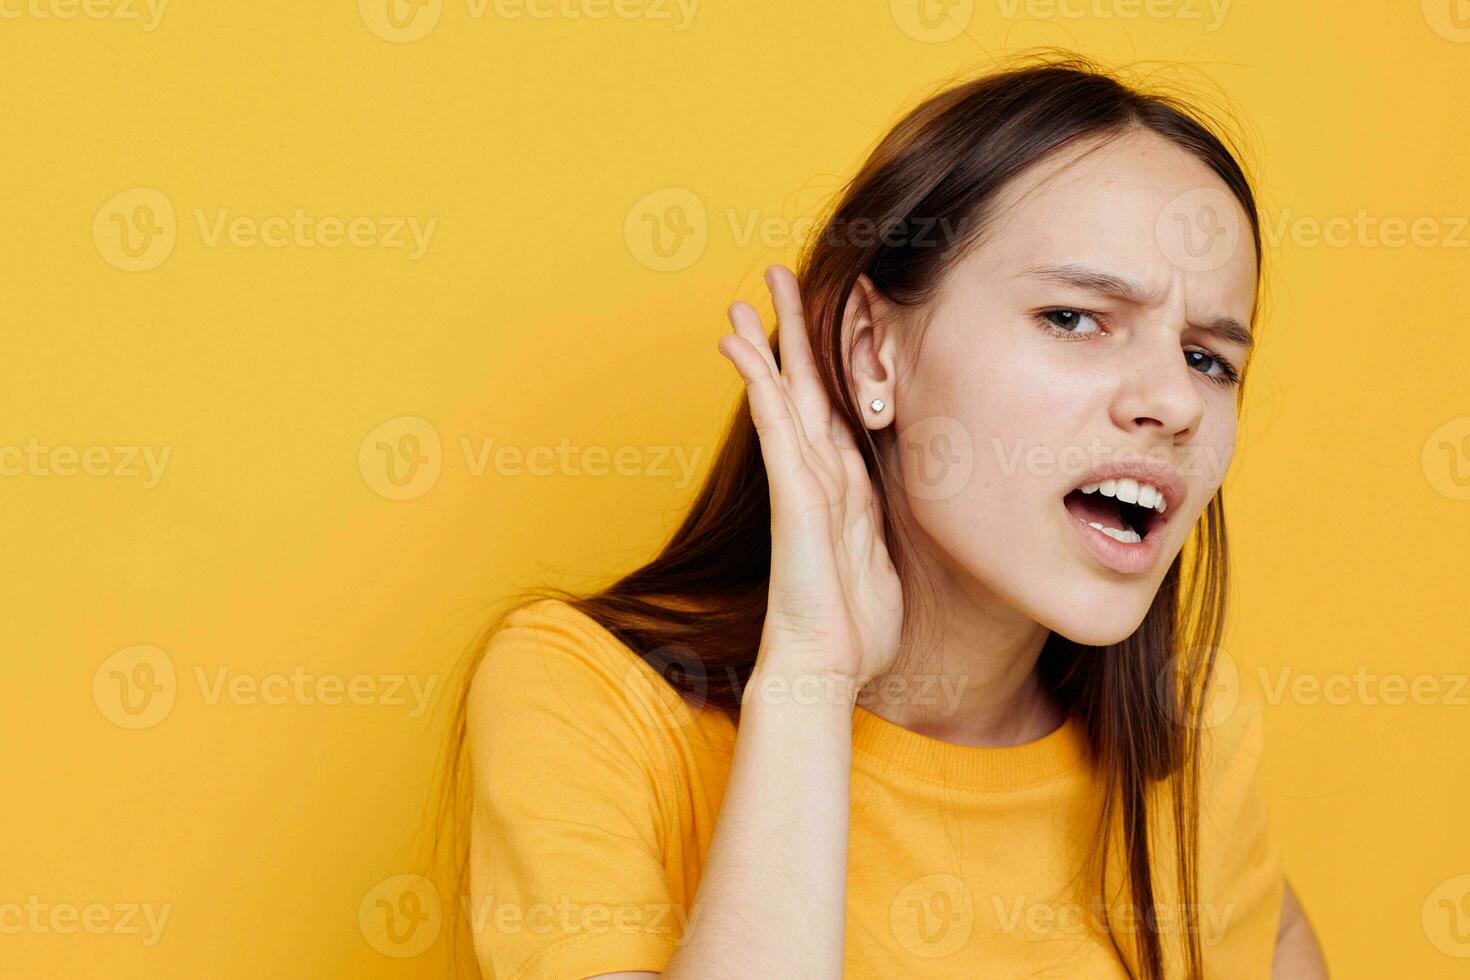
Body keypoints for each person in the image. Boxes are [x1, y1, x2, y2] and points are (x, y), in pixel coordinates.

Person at [444, 52, 1330, 979]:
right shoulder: (591, 703)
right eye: (1074, 318)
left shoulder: (1188, 754)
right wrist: (810, 676)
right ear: (874, 353)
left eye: (1208, 359)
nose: (1174, 402)